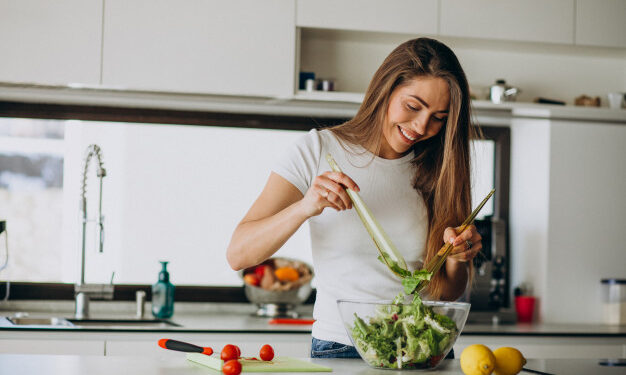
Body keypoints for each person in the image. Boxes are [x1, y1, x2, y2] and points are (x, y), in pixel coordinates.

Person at [226, 37, 482, 359]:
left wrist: (458, 257)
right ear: (385, 90)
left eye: (439, 117)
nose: (421, 126)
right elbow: (239, 254)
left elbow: (445, 291)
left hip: (425, 347)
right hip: (343, 347)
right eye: (413, 107)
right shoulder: (317, 151)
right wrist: (305, 206)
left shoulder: (440, 169)